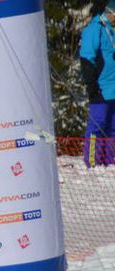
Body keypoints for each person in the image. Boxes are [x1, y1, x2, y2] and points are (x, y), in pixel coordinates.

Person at [80, 0, 115, 167]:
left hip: (113, 89)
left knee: (112, 128)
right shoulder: (95, 29)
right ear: (110, 13)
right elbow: (87, 58)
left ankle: (111, 162)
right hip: (101, 89)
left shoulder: (112, 30)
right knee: (97, 127)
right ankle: (92, 162)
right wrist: (92, 86)